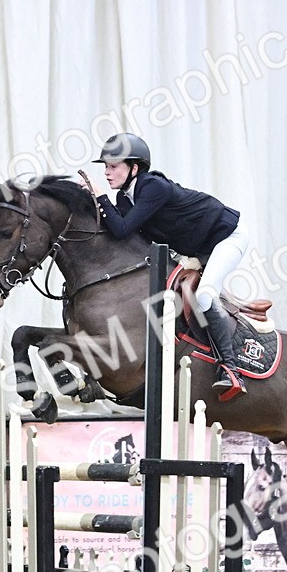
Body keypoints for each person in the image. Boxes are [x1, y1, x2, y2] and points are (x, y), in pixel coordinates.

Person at [81, 133, 250, 399]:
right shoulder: (125, 199)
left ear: (135, 168)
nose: (107, 172)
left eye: (114, 166)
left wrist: (100, 196)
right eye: (105, 167)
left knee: (204, 296)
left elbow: (122, 228)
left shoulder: (152, 187)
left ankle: (229, 369)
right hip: (196, 249)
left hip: (226, 238)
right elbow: (116, 232)